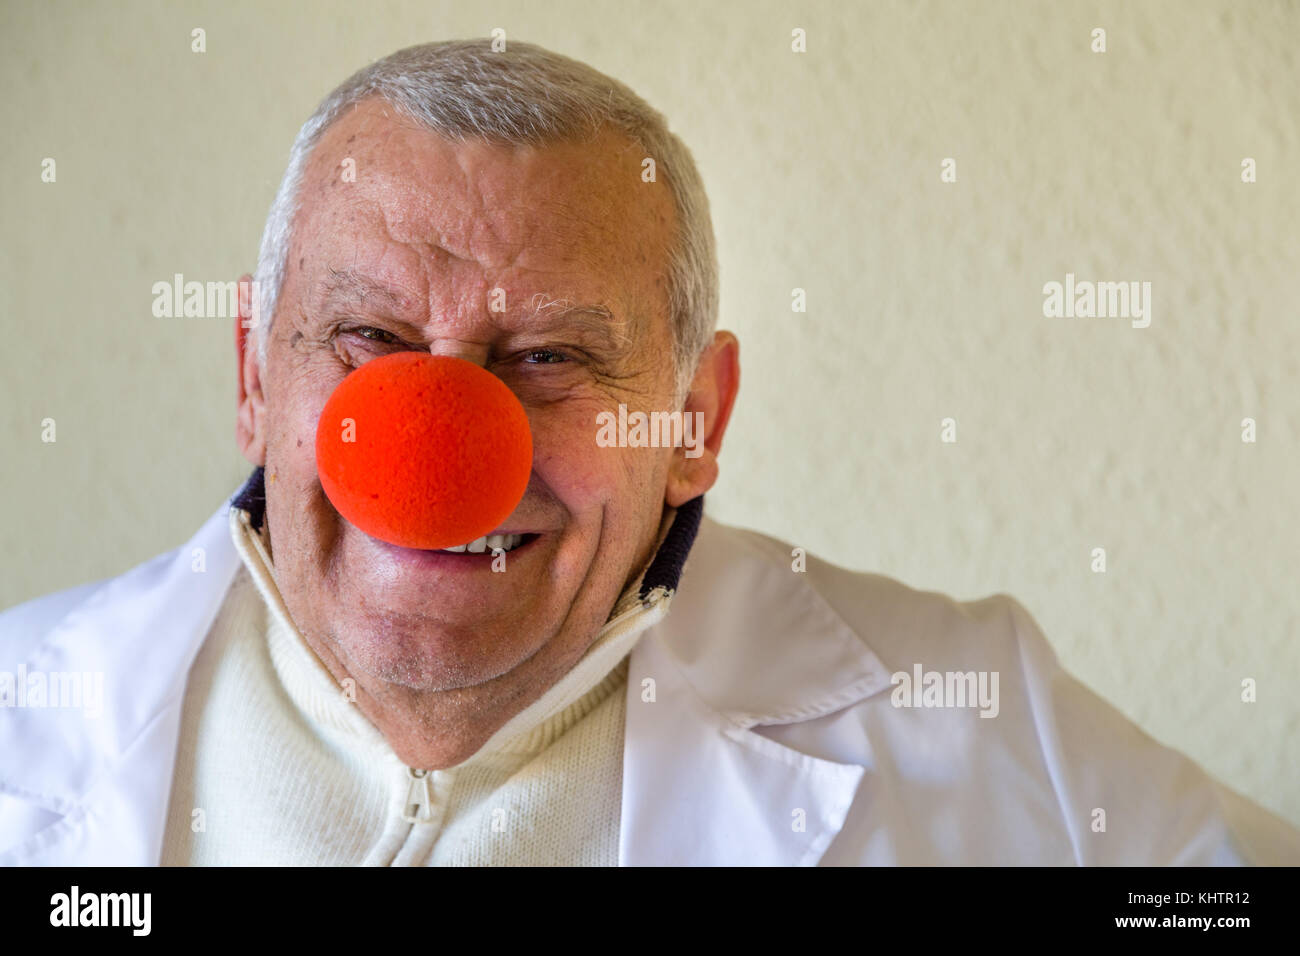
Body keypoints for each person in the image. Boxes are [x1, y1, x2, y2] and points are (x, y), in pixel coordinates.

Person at [1, 40, 1296, 866]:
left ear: (694, 424)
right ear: (249, 372)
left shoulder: (989, 737)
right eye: (370, 337)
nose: (441, 451)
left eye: (550, 358)